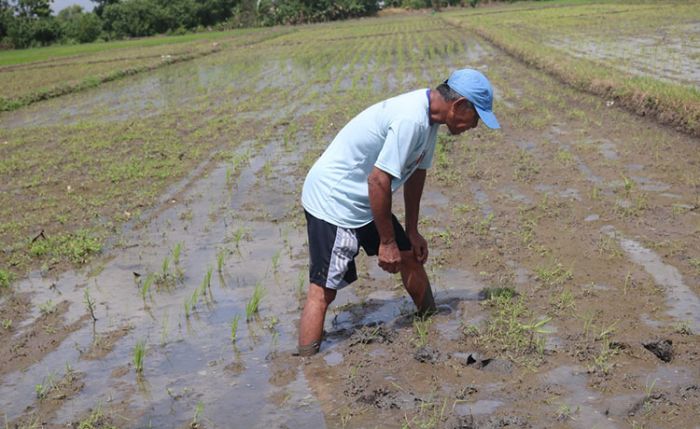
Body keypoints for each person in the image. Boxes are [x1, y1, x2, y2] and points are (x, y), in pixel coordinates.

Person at [297, 69, 500, 356]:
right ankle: (308, 365)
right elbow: (378, 180)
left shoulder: (429, 121)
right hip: (336, 201)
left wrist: (412, 230)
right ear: (459, 105)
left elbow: (416, 173)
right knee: (323, 291)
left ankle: (429, 319)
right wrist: (387, 242)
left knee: (410, 258)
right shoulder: (412, 120)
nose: (474, 126)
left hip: (366, 198)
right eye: (476, 117)